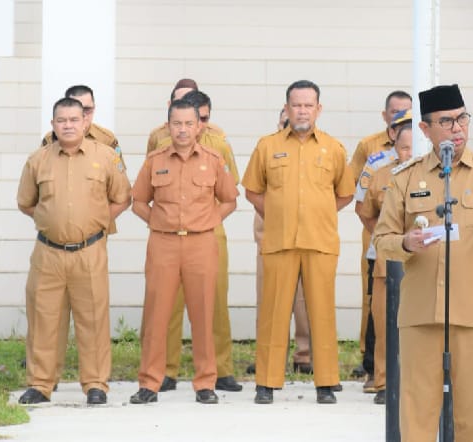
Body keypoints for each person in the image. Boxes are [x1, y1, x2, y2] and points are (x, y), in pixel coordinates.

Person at [374, 84, 473, 441]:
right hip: (421, 314)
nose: (457, 128)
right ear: (426, 130)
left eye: (463, 119)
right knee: (416, 415)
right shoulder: (406, 178)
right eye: (446, 121)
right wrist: (406, 243)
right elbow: (381, 242)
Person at [242, 80, 355, 405]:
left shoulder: (333, 148)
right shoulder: (267, 145)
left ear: (318, 109)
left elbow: (345, 193)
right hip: (279, 241)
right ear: (287, 108)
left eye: (308, 105)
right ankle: (266, 382)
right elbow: (252, 190)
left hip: (320, 242)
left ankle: (326, 383)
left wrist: (318, 212)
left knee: (321, 314)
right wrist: (278, 213)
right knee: (274, 313)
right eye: (297, 104)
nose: (302, 110)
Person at [17, 97, 132, 405]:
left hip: (90, 251)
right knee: (43, 318)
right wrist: (51, 221)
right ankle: (40, 384)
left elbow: (122, 197)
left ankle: (95, 384)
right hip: (48, 253)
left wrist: (94, 223)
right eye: (61, 120)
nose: (67, 125)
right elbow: (26, 202)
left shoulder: (106, 157)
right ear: (53, 124)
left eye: (73, 119)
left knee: (93, 318)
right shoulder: (37, 160)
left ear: (86, 123)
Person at [130, 99, 238, 405]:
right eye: (176, 123)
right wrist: (157, 222)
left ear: (199, 126)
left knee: (204, 313)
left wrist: (208, 221)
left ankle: (205, 382)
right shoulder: (154, 160)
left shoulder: (214, 159)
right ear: (167, 126)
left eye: (189, 123)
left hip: (201, 243)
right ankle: (150, 382)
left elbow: (229, 199)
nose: (183, 130)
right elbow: (138, 200)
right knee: (157, 314)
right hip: (163, 243)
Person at [349, 90, 412, 382]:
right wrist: (386, 238)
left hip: (420, 256)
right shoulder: (376, 164)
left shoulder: (432, 166)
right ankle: (382, 378)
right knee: (382, 317)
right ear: (392, 135)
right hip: (384, 254)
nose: (408, 152)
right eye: (403, 145)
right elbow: (362, 208)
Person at [248, 107, 313, 376]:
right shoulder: (267, 149)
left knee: (304, 302)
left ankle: (305, 355)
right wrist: (276, 218)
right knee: (269, 303)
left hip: (307, 237)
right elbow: (254, 191)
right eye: (285, 120)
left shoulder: (314, 151)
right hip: (270, 238)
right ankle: (269, 357)